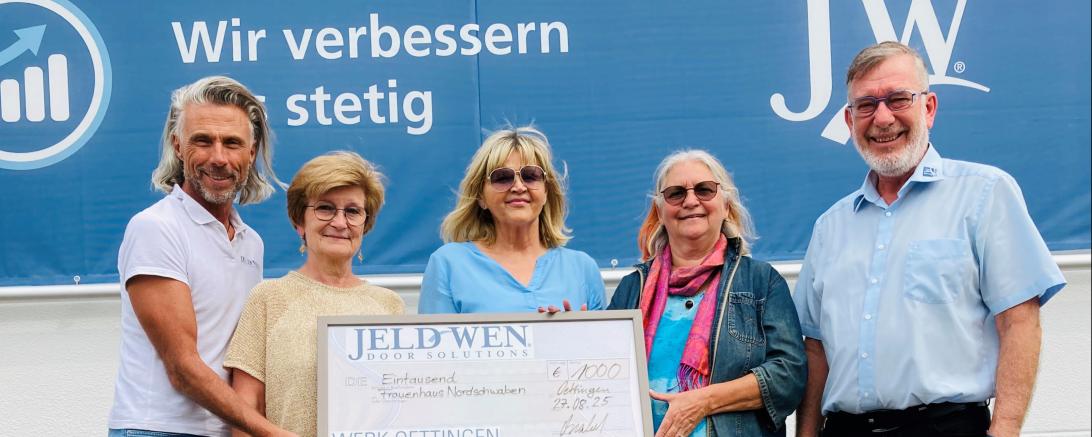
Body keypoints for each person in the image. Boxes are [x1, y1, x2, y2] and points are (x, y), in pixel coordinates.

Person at [793, 41, 1067, 437]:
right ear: (850, 121)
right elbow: (814, 349)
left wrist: (1005, 430)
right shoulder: (830, 227)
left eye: (898, 99)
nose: (882, 117)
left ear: (929, 108)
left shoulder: (985, 194)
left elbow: (1019, 321)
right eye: (866, 105)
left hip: (945, 427)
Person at [111, 76, 296, 436]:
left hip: (223, 429)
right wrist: (272, 432)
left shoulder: (250, 242)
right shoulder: (156, 228)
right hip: (158, 428)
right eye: (202, 141)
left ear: (252, 151)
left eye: (232, 143)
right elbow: (182, 368)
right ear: (177, 145)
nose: (219, 158)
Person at [608, 150, 806, 437]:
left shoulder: (762, 282)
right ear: (659, 212)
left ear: (726, 205)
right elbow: (602, 378)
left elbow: (789, 375)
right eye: (676, 193)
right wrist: (559, 330)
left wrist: (702, 402)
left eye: (704, 190)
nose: (690, 201)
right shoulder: (632, 288)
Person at [224, 151, 404, 437]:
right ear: (300, 222)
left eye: (353, 211)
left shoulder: (389, 305)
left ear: (365, 224)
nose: (340, 222)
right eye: (325, 208)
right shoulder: (268, 298)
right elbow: (246, 411)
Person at [418, 126, 605, 313]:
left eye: (531, 176)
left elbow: (607, 341)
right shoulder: (448, 264)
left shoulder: (583, 269)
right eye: (502, 177)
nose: (518, 186)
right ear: (481, 197)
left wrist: (577, 334)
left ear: (546, 191)